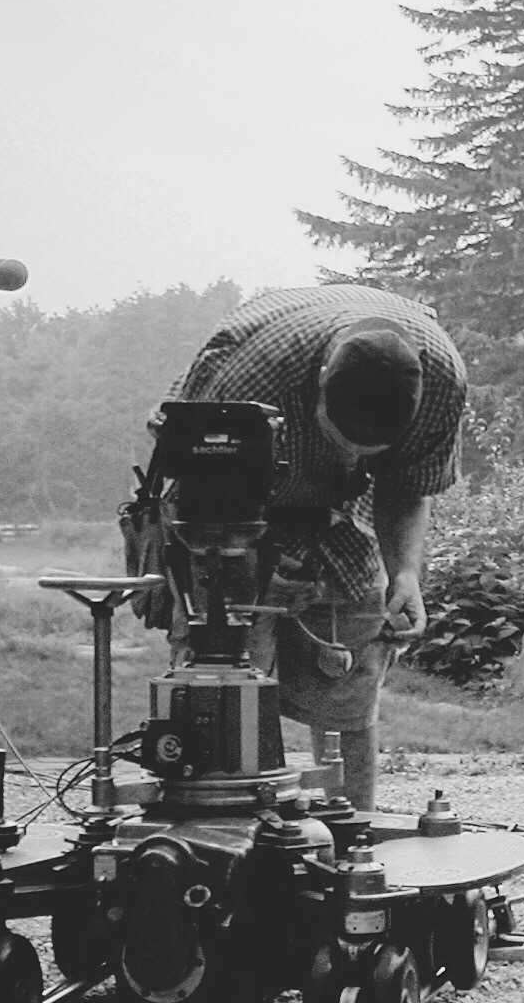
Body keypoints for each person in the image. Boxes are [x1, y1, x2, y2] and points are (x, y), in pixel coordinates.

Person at [162, 284, 467, 810]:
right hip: (228, 511)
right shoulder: (249, 377)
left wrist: (407, 574)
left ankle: (353, 835)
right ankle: (235, 827)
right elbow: (196, 493)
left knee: (352, 672)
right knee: (231, 680)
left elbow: (407, 484)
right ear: (320, 384)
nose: (350, 454)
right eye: (339, 436)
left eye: (367, 450)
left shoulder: (441, 382)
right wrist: (250, 572)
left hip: (341, 519)